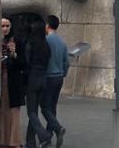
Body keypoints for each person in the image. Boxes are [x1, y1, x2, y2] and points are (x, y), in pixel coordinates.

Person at [42, 15, 70, 148]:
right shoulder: (62, 42)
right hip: (59, 77)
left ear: (47, 25)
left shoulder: (45, 40)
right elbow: (67, 62)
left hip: (48, 76)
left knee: (44, 107)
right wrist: (63, 73)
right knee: (52, 107)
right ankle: (48, 136)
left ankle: (58, 128)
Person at [25, 19, 52, 147]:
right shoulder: (46, 45)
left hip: (33, 78)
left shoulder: (31, 43)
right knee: (34, 110)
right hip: (43, 78)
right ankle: (30, 142)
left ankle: (43, 135)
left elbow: (27, 62)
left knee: (31, 111)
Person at [1, 17, 26, 148]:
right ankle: (2, 139)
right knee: (1, 111)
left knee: (14, 112)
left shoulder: (18, 41)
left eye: (7, 26)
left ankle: (14, 141)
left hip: (13, 81)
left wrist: (14, 54)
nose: (5, 29)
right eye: (2, 26)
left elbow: (24, 63)